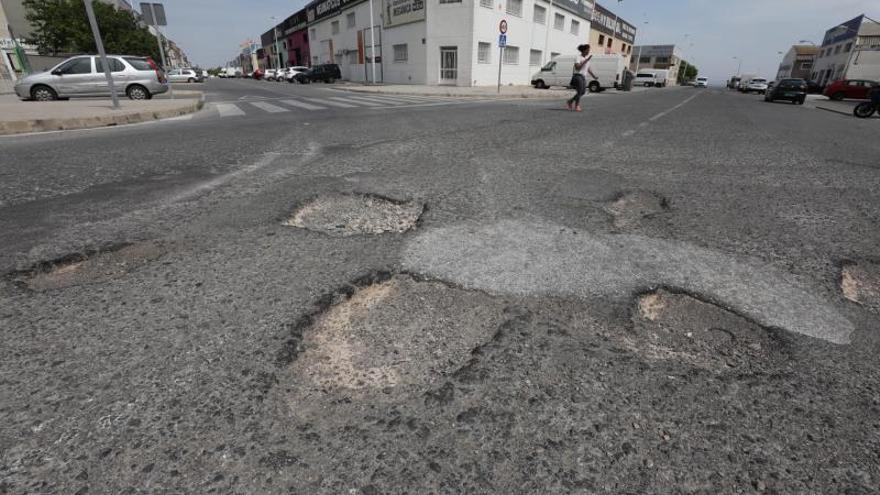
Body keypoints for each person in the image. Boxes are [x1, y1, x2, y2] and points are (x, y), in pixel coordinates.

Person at [567, 44, 597, 112]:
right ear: (584, 50)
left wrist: (594, 76)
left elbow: (588, 69)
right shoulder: (578, 57)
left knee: (583, 92)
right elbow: (577, 67)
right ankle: (577, 106)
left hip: (583, 77)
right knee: (580, 91)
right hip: (578, 76)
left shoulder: (586, 59)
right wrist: (586, 61)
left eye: (589, 50)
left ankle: (570, 101)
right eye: (588, 50)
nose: (589, 51)